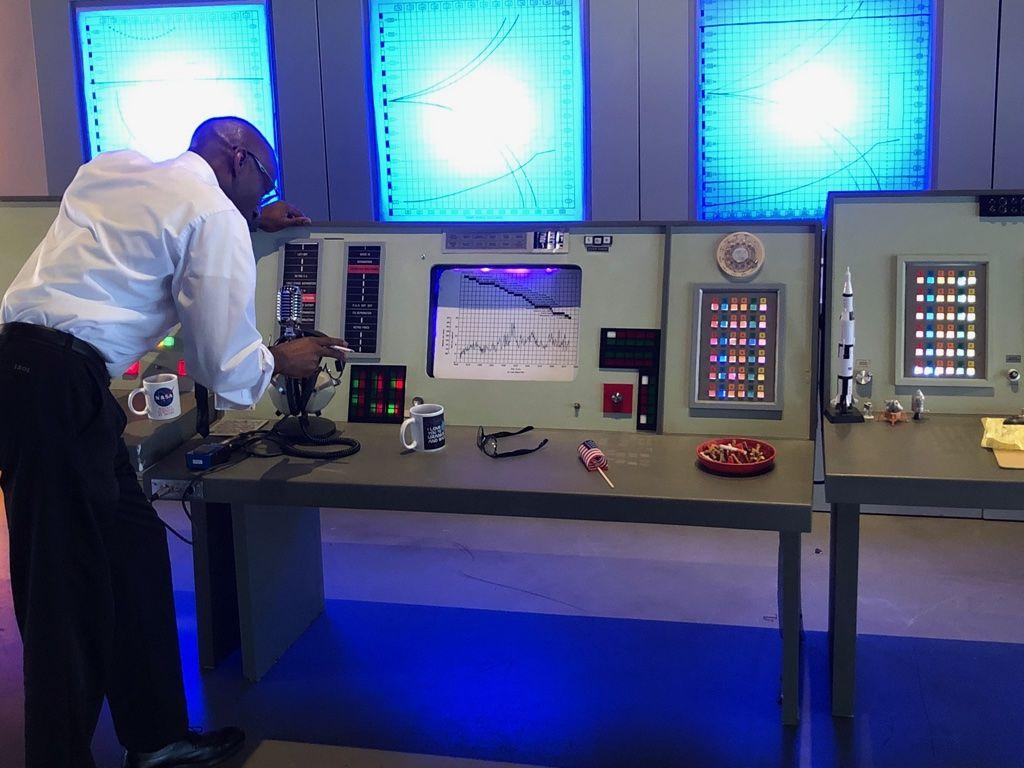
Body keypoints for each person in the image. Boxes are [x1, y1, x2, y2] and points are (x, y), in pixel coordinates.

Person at [0, 116, 346, 768]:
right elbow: (223, 362)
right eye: (266, 183)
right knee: (65, 596)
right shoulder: (211, 214)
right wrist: (282, 358)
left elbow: (157, 234)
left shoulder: (111, 169)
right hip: (59, 389)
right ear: (238, 159)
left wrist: (249, 221)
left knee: (134, 555)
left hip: (37, 377)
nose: (265, 197)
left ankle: (156, 738)